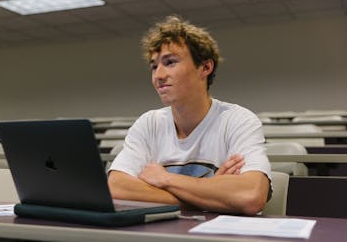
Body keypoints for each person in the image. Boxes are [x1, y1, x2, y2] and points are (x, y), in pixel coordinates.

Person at [108, 15, 271, 215]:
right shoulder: (148, 123)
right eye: (154, 66)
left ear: (205, 67)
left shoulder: (238, 121)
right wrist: (209, 194)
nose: (158, 75)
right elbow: (116, 188)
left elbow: (250, 196)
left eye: (170, 63)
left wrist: (166, 179)